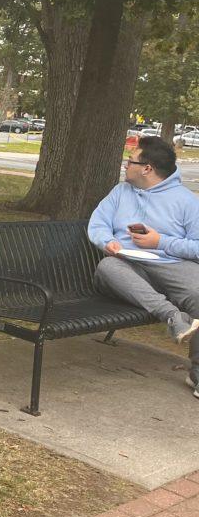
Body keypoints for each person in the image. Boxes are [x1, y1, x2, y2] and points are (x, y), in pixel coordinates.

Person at [89, 135, 199, 396]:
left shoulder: (186, 201)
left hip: (171, 265)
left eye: (130, 161)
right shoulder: (120, 192)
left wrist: (161, 241)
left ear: (147, 168)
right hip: (126, 266)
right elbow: (98, 224)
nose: (126, 166)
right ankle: (172, 317)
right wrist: (108, 242)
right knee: (107, 267)